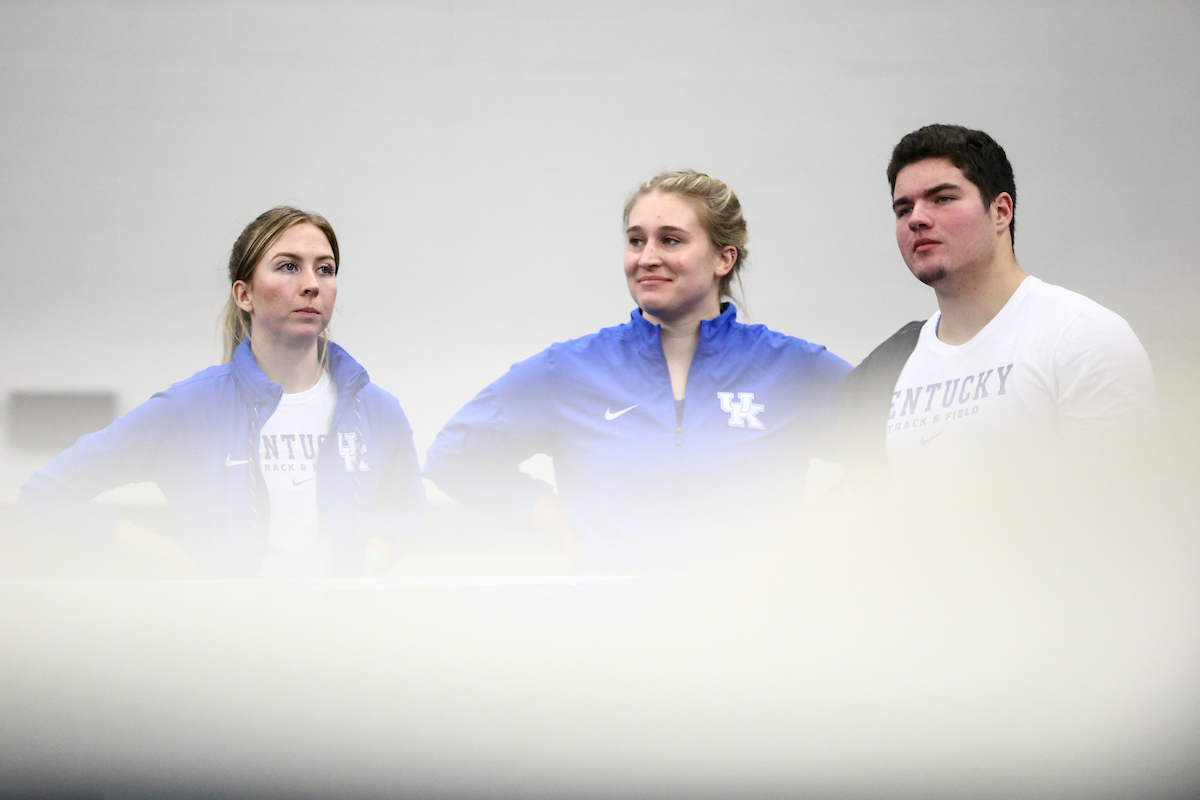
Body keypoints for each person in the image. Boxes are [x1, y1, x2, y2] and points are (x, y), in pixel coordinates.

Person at [424, 170, 850, 573]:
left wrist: (806, 536)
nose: (647, 257)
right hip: (612, 635)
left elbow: (893, 457)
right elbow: (455, 456)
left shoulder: (795, 369)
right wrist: (554, 517)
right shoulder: (569, 370)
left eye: (670, 240)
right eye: (635, 240)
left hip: (752, 632)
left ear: (724, 258)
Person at [19, 207, 425, 578]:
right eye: (288, 266)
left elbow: (404, 507)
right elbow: (44, 495)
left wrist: (371, 560)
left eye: (325, 269)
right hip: (225, 646)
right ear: (243, 294)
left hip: (343, 644)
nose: (311, 285)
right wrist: (171, 558)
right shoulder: (190, 409)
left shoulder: (376, 410)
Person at [840, 124, 1155, 487]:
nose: (917, 219)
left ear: (1001, 212)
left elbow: (1121, 511)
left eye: (942, 198)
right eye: (903, 208)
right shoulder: (883, 370)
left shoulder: (1081, 336)